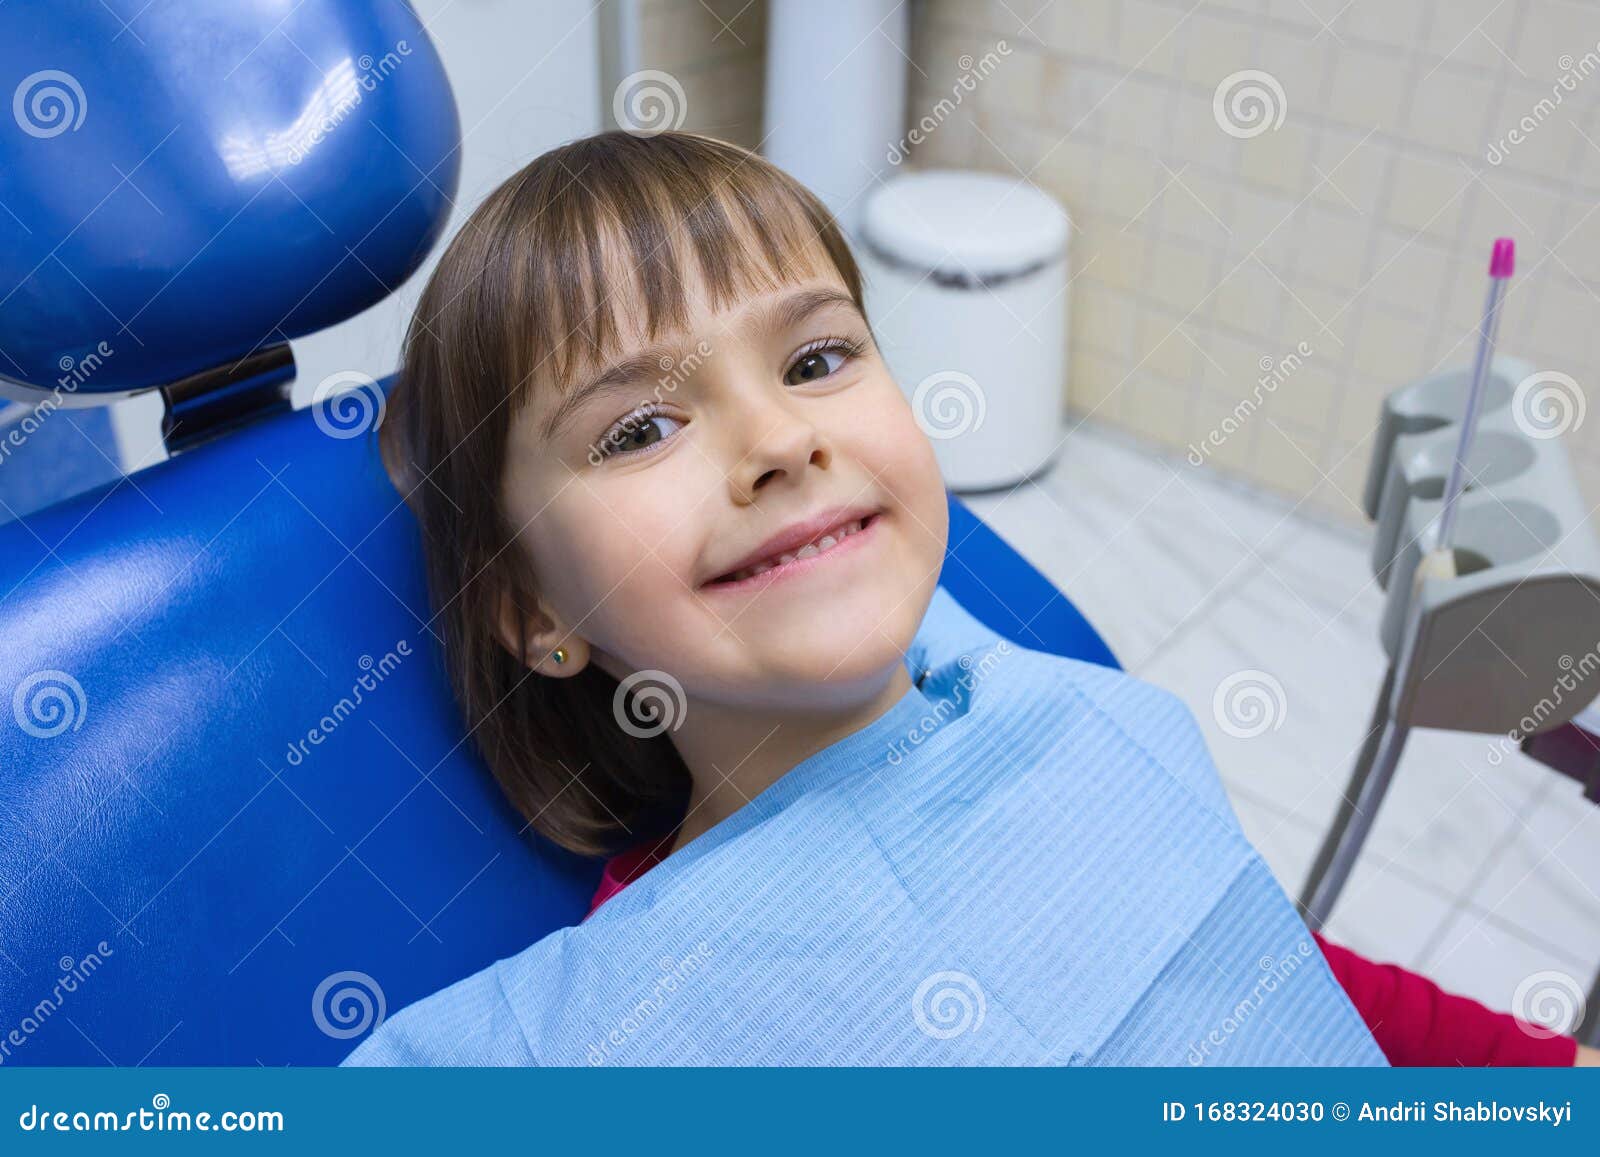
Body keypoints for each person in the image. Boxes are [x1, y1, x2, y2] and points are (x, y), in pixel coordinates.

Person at [343, 129, 1591, 1067]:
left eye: (817, 357)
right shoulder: (610, 1030)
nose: (779, 436)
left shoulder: (1054, 714)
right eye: (641, 428)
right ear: (530, 612)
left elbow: (1259, 963)